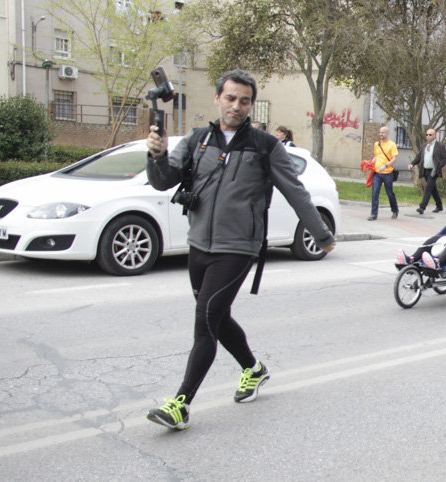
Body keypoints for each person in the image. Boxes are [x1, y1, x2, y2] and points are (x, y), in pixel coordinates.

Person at [143, 69, 336, 430]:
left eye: (244, 100)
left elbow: (296, 192)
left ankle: (180, 404)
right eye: (230, 98)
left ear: (251, 104)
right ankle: (253, 368)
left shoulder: (265, 146)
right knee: (217, 316)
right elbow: (162, 181)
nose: (236, 105)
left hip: (239, 248)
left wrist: (321, 234)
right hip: (199, 243)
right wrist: (156, 155)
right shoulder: (198, 140)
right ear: (217, 98)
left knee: (205, 322)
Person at [410, 128, 446, 214]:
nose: (428, 136)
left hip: (434, 170)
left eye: (430, 135)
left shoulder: (440, 146)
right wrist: (412, 164)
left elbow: (445, 158)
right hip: (425, 170)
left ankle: (422, 207)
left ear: (434, 135)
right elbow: (419, 157)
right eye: (427, 135)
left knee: (428, 188)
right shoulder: (424, 146)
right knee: (433, 188)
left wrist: (438, 167)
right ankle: (439, 205)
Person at [370, 125, 399, 221]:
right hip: (377, 173)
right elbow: (376, 156)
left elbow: (394, 159)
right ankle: (373, 214)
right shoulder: (376, 144)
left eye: (382, 132)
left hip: (388, 172)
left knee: (389, 193)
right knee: (375, 193)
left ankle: (395, 210)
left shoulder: (392, 145)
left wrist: (385, 166)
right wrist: (370, 163)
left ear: (387, 133)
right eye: (380, 132)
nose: (380, 134)